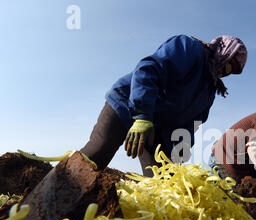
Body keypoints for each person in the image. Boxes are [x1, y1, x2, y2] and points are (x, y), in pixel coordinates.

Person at [80, 34, 247, 176]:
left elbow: (192, 122)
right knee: (96, 155)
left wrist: (182, 146)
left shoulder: (209, 90)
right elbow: (148, 69)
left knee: (162, 181)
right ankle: (57, 200)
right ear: (222, 51)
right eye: (227, 63)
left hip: (158, 128)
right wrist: (142, 116)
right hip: (126, 104)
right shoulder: (189, 48)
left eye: (230, 71)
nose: (224, 72)